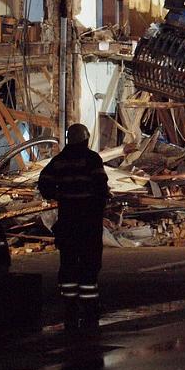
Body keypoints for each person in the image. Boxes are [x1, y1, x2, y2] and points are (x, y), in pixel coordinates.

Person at [38, 124, 110, 331]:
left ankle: (70, 308)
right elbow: (100, 186)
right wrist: (99, 202)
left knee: (68, 261)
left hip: (68, 220)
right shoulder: (92, 159)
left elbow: (44, 182)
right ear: (86, 139)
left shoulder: (59, 161)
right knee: (89, 263)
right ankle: (89, 308)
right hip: (88, 221)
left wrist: (57, 194)